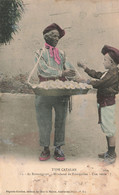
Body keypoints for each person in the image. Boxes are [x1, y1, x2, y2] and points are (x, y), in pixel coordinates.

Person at [35, 23, 76, 161]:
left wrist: (77, 76)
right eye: (54, 35)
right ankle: (45, 147)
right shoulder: (40, 52)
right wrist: (61, 72)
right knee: (44, 120)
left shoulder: (62, 53)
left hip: (60, 91)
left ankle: (58, 147)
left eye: (58, 36)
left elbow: (70, 69)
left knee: (60, 119)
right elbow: (42, 70)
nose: (57, 38)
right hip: (44, 91)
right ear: (46, 37)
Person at [77, 45, 119, 164]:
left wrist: (85, 81)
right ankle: (110, 151)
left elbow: (100, 83)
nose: (103, 62)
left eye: (105, 60)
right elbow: (97, 74)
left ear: (111, 62)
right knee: (107, 128)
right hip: (104, 103)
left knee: (109, 130)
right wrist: (85, 68)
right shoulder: (108, 72)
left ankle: (112, 155)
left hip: (107, 104)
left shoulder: (113, 75)